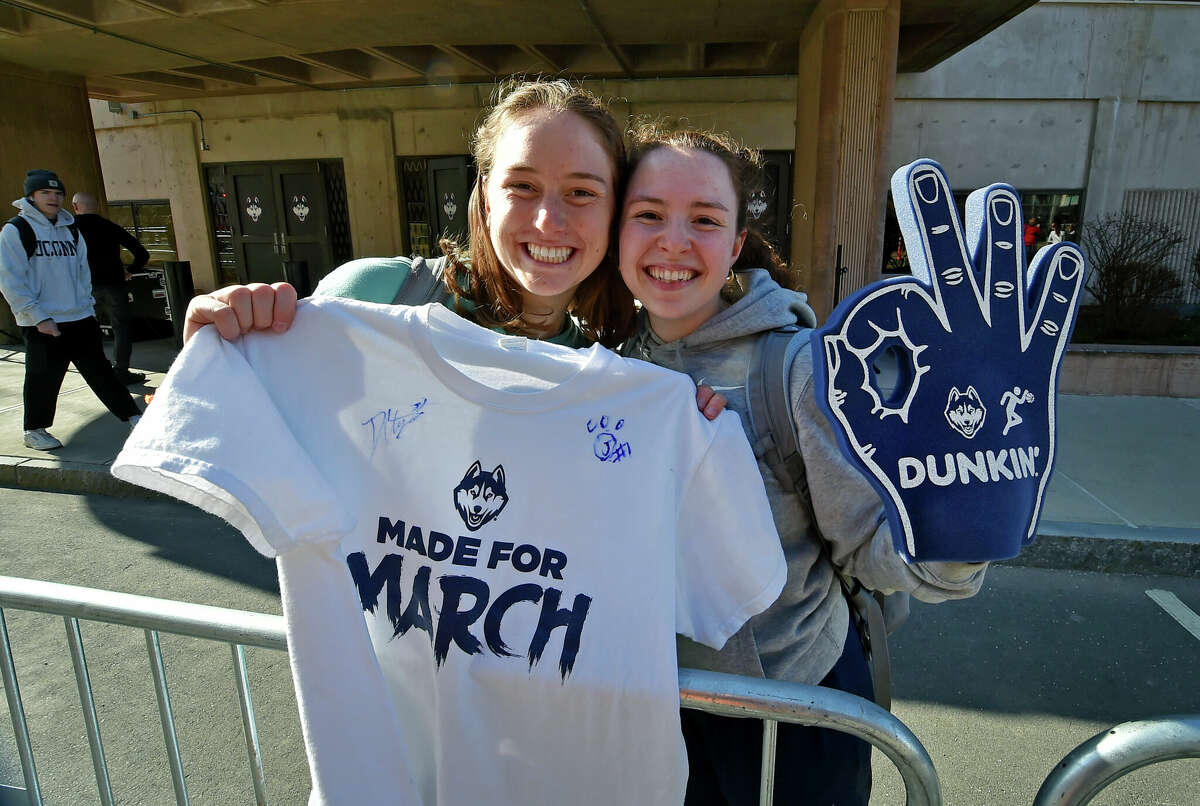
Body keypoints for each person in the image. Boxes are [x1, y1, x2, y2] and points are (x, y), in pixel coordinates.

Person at [615, 125, 988, 805]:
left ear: (734, 245)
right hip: (660, 711)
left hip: (794, 713)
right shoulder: (607, 369)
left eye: (704, 219)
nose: (673, 240)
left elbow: (873, 545)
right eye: (648, 215)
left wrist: (961, 531)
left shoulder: (796, 369)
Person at [184, 79, 725, 418]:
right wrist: (219, 353)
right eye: (523, 186)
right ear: (485, 197)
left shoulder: (608, 369)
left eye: (582, 192)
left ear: (613, 213)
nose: (548, 220)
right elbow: (232, 430)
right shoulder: (378, 294)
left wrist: (683, 428)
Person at [0, 169, 141, 450]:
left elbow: (81, 273)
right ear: (31, 196)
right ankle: (34, 430)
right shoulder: (16, 231)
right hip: (43, 322)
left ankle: (133, 417)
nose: (53, 198)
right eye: (45, 193)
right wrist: (38, 317)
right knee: (43, 377)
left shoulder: (71, 228)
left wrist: (87, 307)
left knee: (101, 372)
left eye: (58, 193)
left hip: (79, 317)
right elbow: (10, 279)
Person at [71, 191, 150, 384]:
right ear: (96, 206)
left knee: (88, 328)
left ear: (75, 206)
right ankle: (121, 369)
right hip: (114, 283)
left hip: (85, 285)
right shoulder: (109, 227)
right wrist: (130, 269)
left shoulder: (69, 229)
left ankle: (98, 371)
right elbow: (142, 253)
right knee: (121, 327)